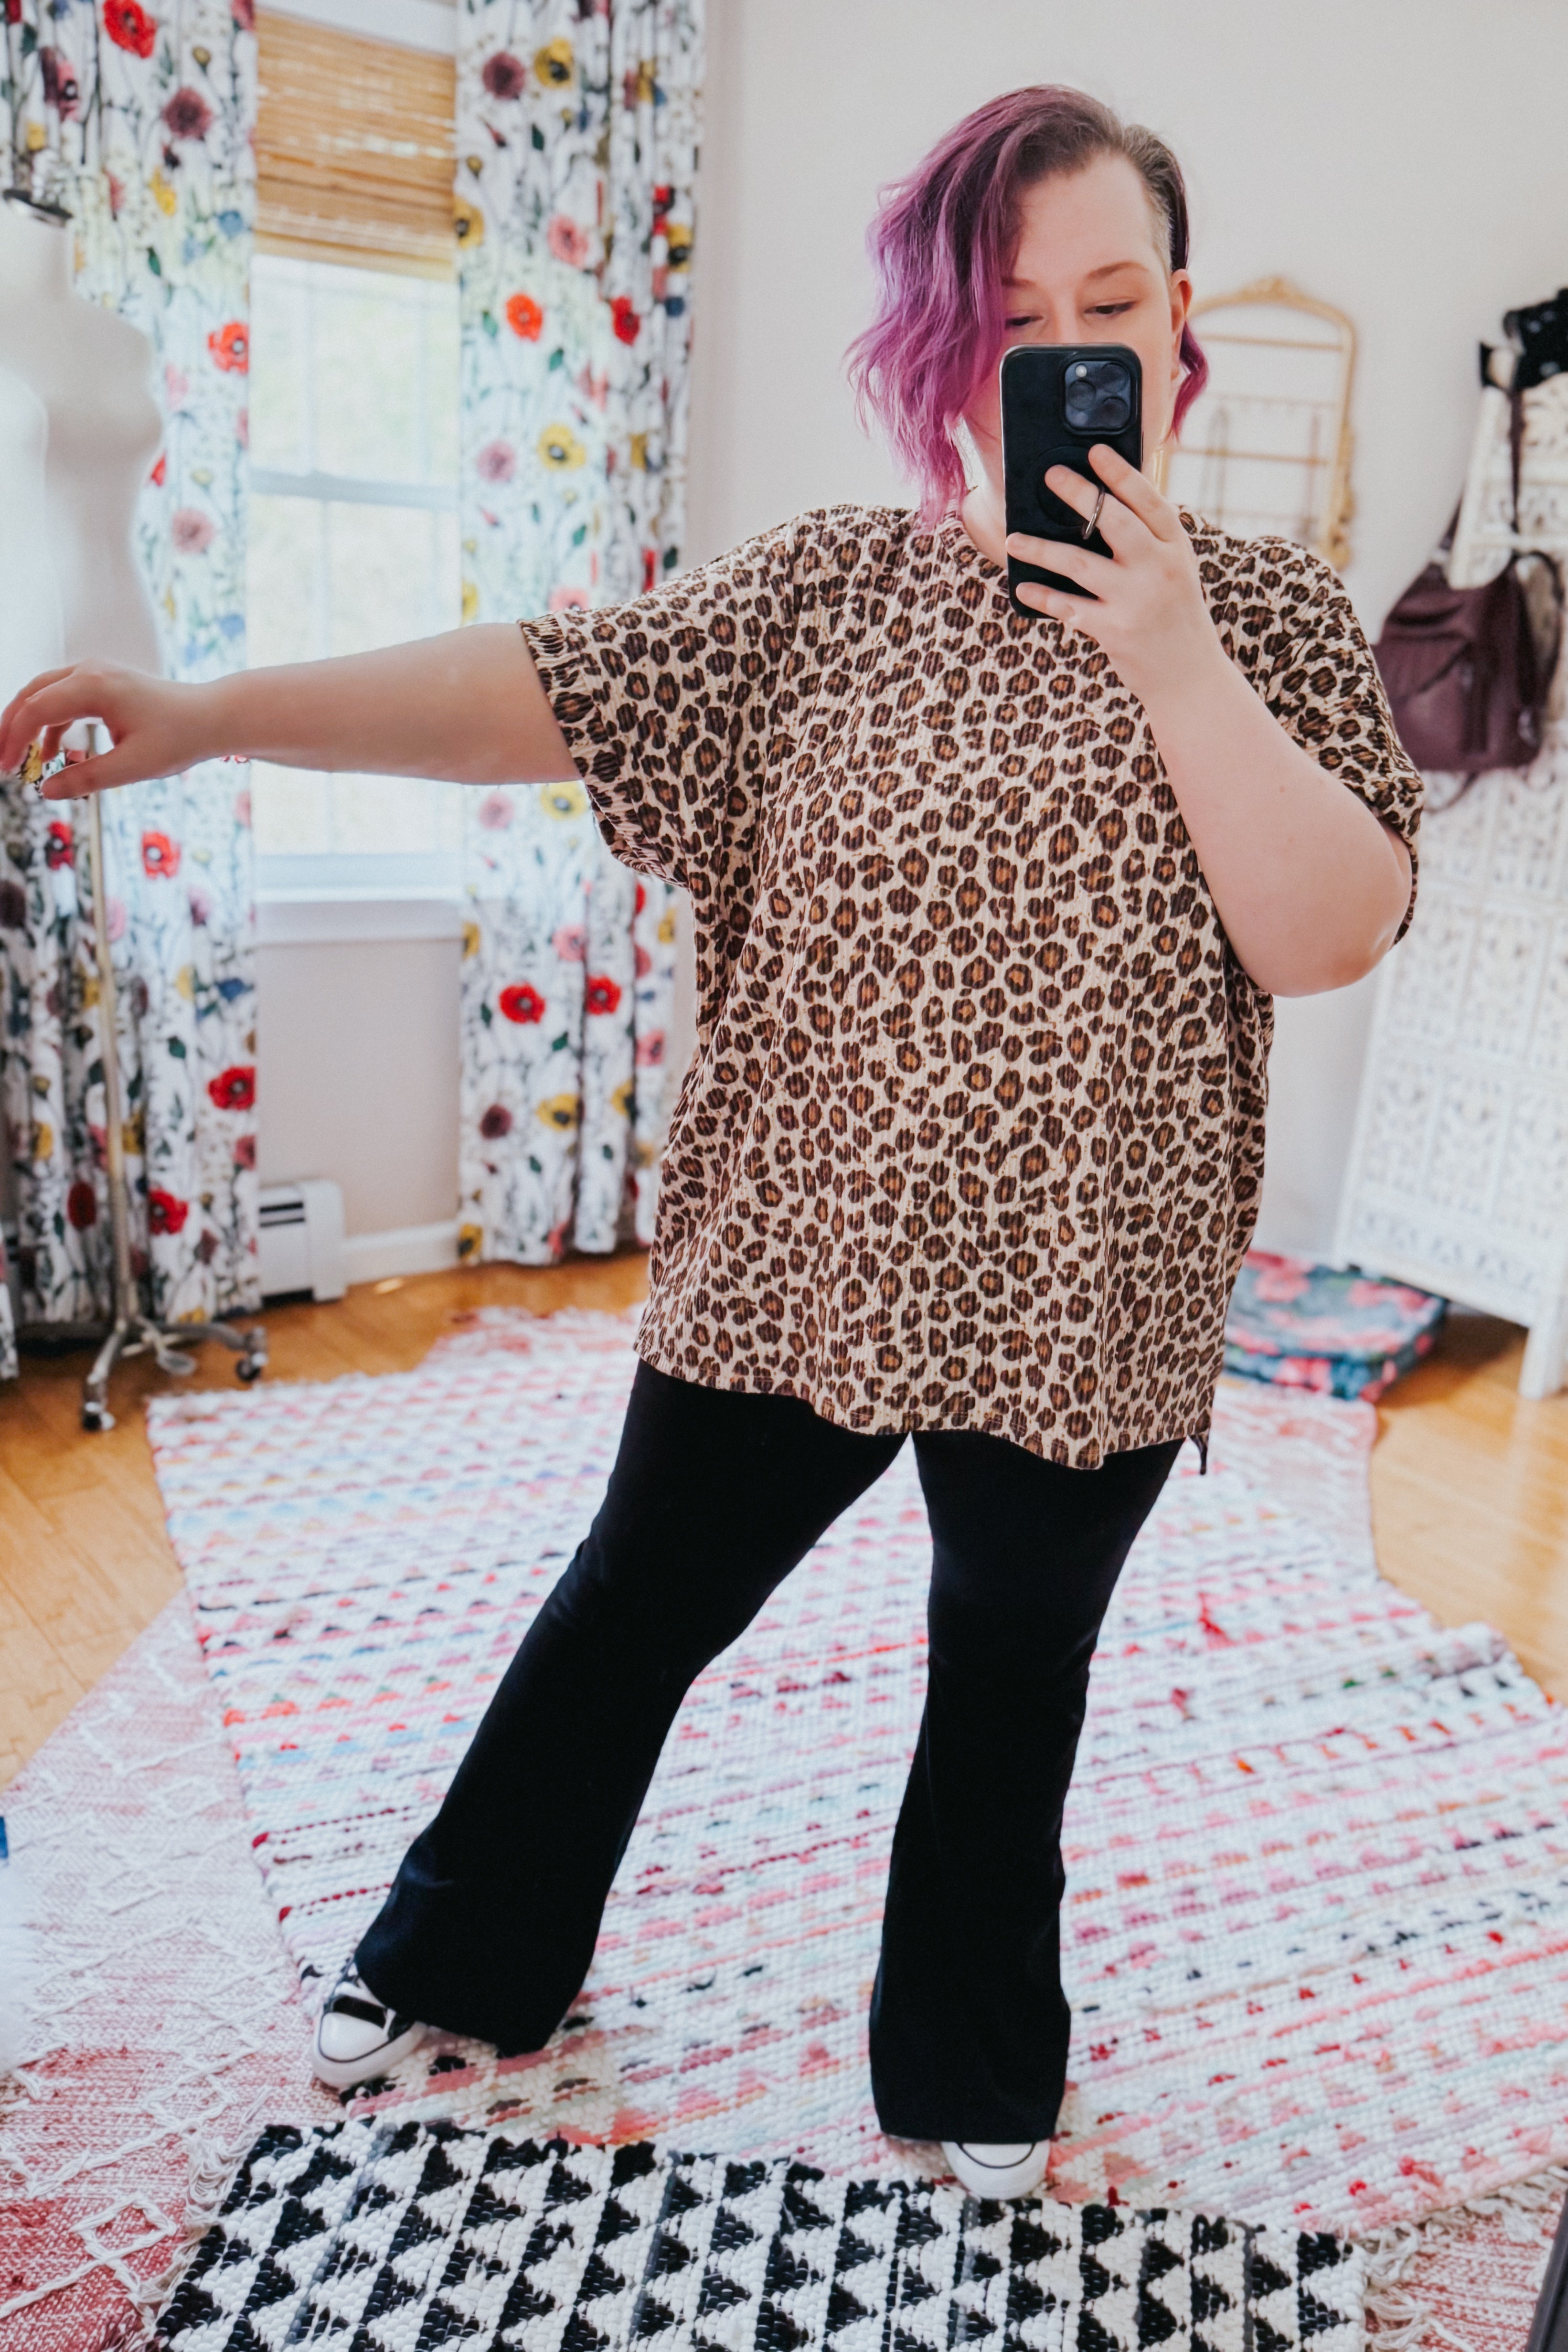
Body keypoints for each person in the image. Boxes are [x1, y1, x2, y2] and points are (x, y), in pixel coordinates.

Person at [0, 87, 1420, 2202]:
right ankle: (466, 1957)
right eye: (1006, 315)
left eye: (1105, 306)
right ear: (939, 346)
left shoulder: (1276, 620)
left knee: (1003, 1683)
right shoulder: (823, 600)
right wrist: (210, 708)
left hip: (1087, 1293)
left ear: (1178, 324)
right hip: (794, 1252)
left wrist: (1170, 653)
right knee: (631, 1607)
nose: (1057, 357)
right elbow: (523, 686)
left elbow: (1330, 929)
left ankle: (963, 2059)